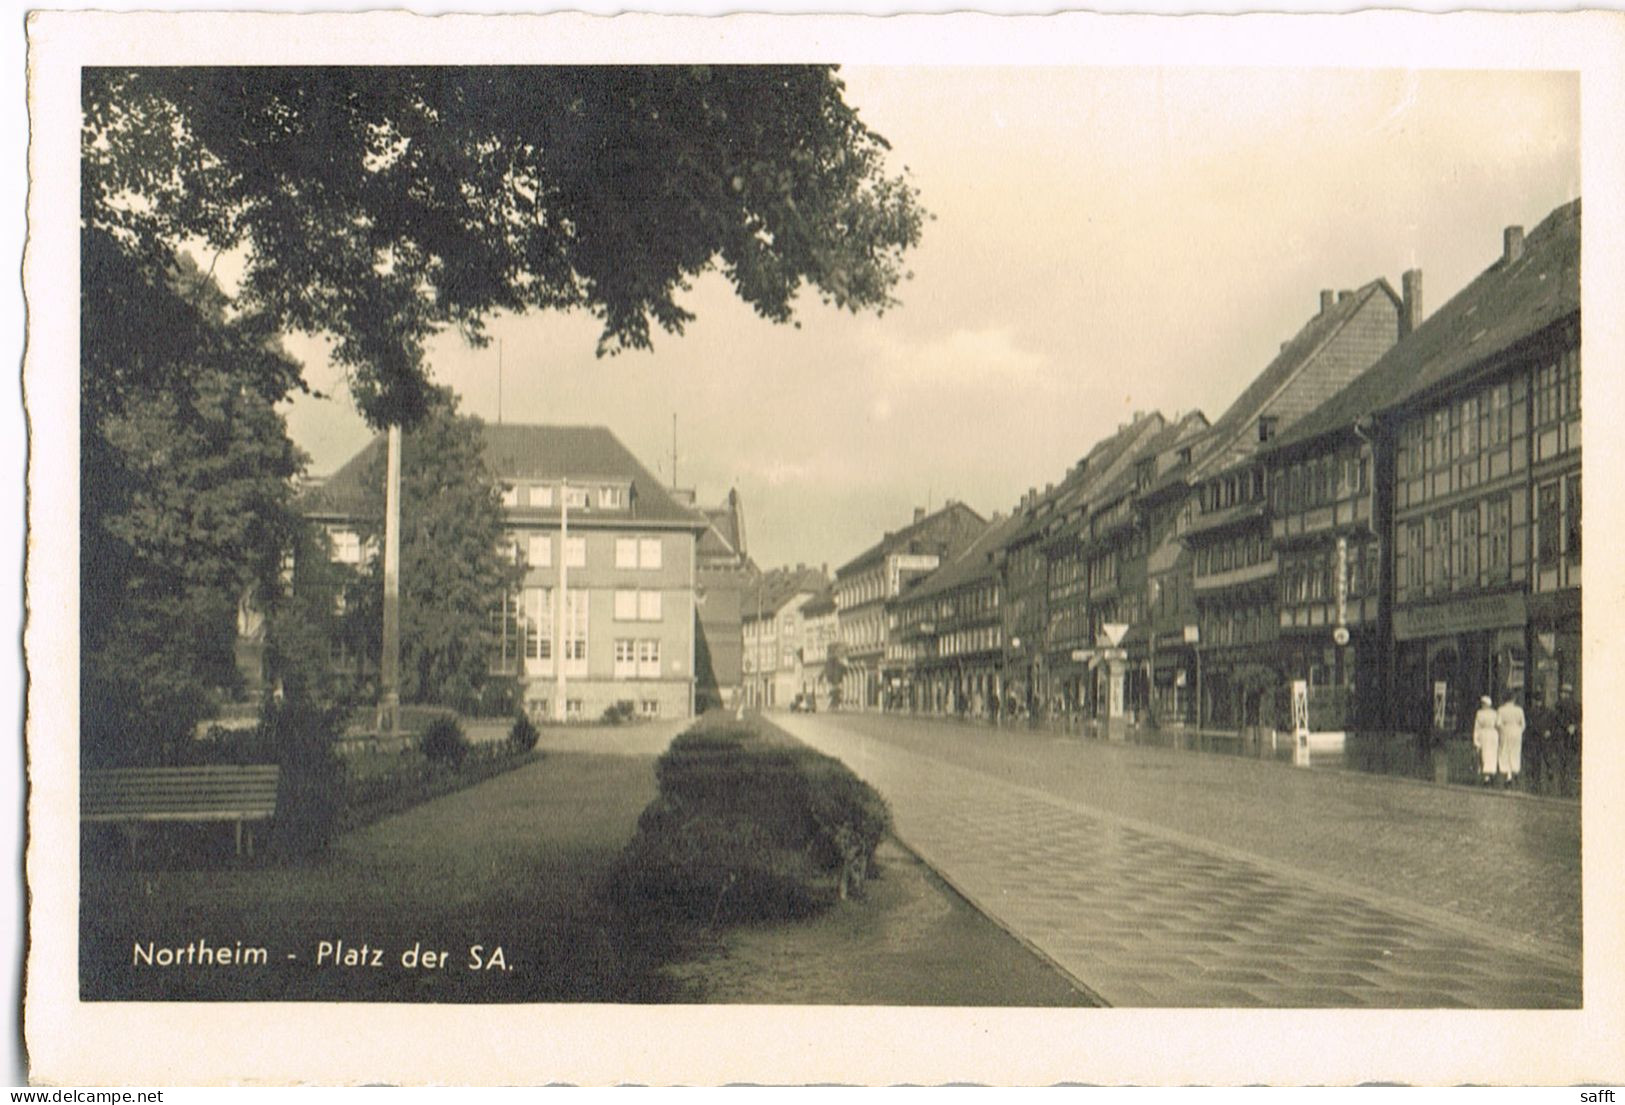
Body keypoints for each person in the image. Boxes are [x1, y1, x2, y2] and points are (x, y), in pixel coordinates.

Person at [1497, 691, 1527, 788]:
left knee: (1505, 752)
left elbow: (1498, 723)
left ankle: (1508, 775)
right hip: (1516, 732)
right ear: (1513, 699)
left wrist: (1502, 730)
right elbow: (1523, 724)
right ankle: (1515, 770)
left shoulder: (1501, 710)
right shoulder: (1519, 710)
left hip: (1506, 731)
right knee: (1515, 752)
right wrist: (1519, 731)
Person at [1472, 695, 1500, 786]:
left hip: (1484, 734)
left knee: (1485, 754)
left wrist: (1476, 740)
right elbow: (1498, 724)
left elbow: (1477, 727)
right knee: (1492, 754)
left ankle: (1487, 776)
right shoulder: (1495, 713)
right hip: (1493, 734)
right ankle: (1491, 773)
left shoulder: (1479, 713)